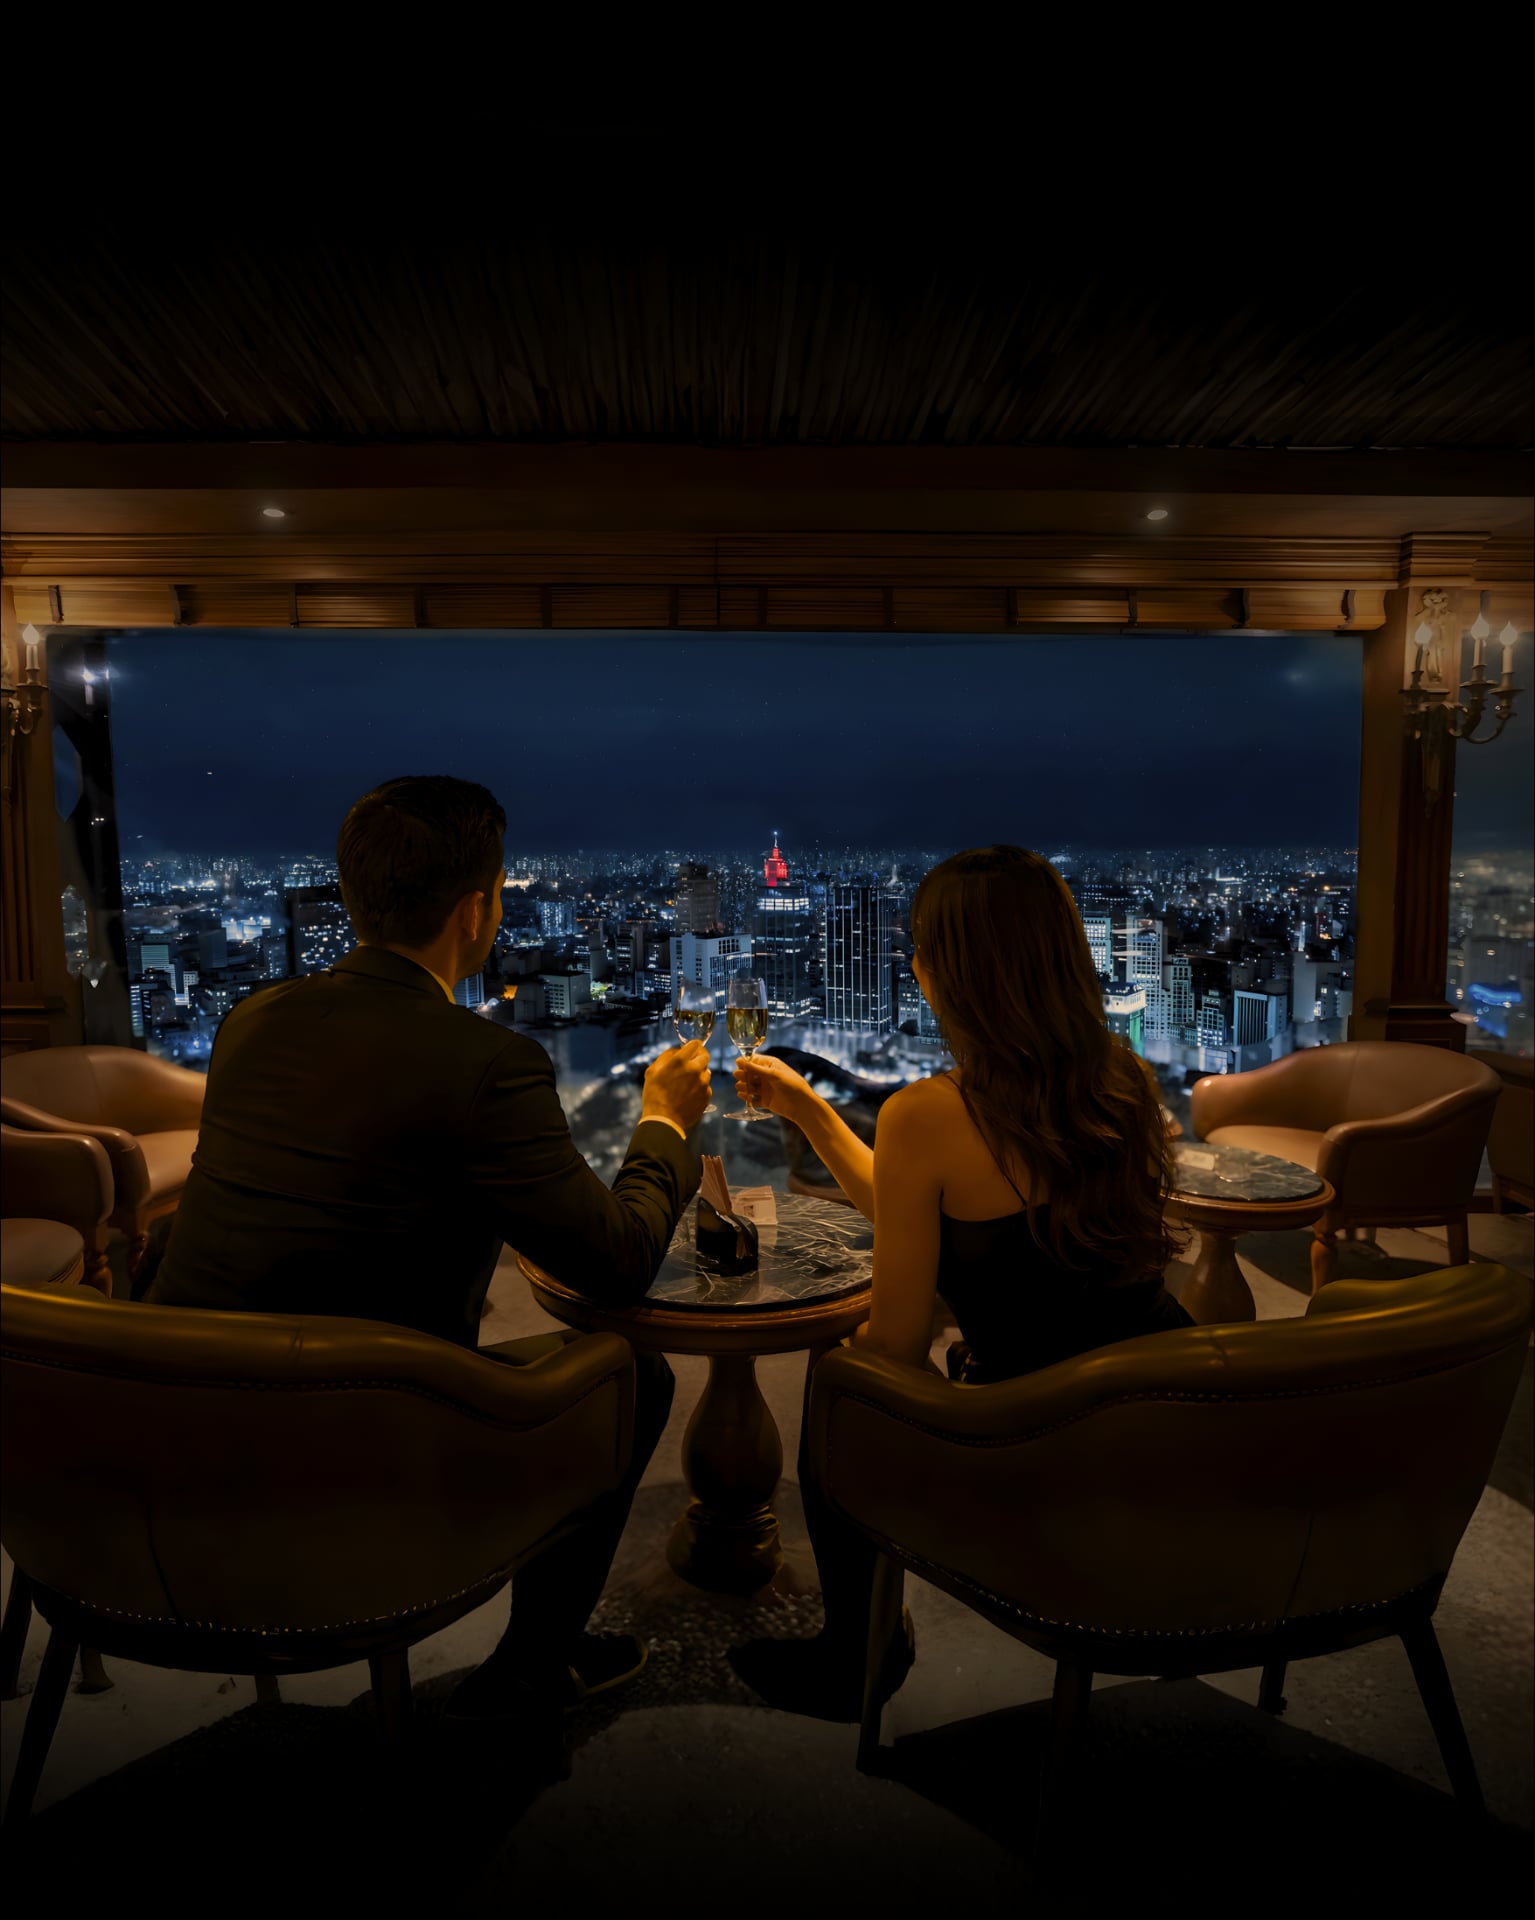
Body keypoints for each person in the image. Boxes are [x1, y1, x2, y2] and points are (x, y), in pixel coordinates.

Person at [147, 776, 712, 1723]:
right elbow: (612, 1262)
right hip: (367, 1460)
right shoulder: (484, 1064)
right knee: (634, 1376)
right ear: (476, 909)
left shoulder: (252, 1022)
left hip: (170, 1443)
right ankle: (532, 1669)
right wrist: (662, 1126)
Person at [726, 845, 1192, 1718]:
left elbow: (897, 1344)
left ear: (946, 974)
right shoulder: (1116, 1078)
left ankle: (856, 1652)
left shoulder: (933, 1114)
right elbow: (948, 1215)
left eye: (920, 948)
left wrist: (842, 1354)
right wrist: (814, 1114)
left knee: (845, 1389)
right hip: (1162, 1403)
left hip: (1032, 1430)